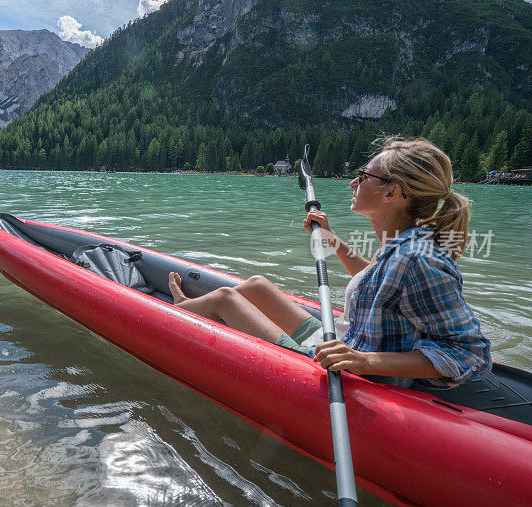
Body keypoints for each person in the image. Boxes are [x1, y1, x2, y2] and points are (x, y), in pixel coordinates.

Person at [168, 137, 492, 388]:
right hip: (344, 343)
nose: (353, 183)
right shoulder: (400, 241)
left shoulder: (419, 259)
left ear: (392, 192)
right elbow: (377, 281)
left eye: (363, 176)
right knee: (256, 285)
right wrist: (331, 238)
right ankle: (193, 307)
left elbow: (468, 353)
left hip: (350, 370)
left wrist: (363, 361)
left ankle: (180, 307)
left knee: (227, 298)